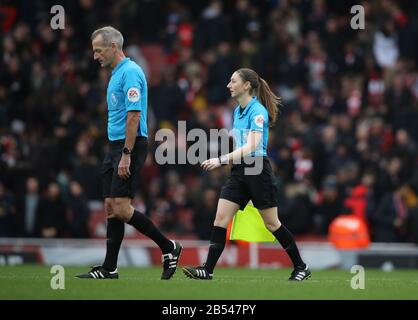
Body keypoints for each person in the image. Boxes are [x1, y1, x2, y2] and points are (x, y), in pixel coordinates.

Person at [182, 68, 311, 281]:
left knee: (271, 223)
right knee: (221, 217)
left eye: (233, 81)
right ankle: (208, 269)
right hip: (240, 170)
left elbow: (252, 146)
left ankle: (301, 266)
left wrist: (221, 160)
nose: (228, 85)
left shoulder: (257, 111)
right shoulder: (237, 111)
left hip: (257, 169)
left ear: (247, 85)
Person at [76, 26, 182, 280]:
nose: (95, 56)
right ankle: (109, 268)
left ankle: (169, 247)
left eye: (98, 50)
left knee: (122, 208)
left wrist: (126, 153)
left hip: (128, 146)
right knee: (111, 207)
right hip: (115, 146)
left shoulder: (131, 72)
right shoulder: (116, 73)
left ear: (113, 47)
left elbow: (134, 116)